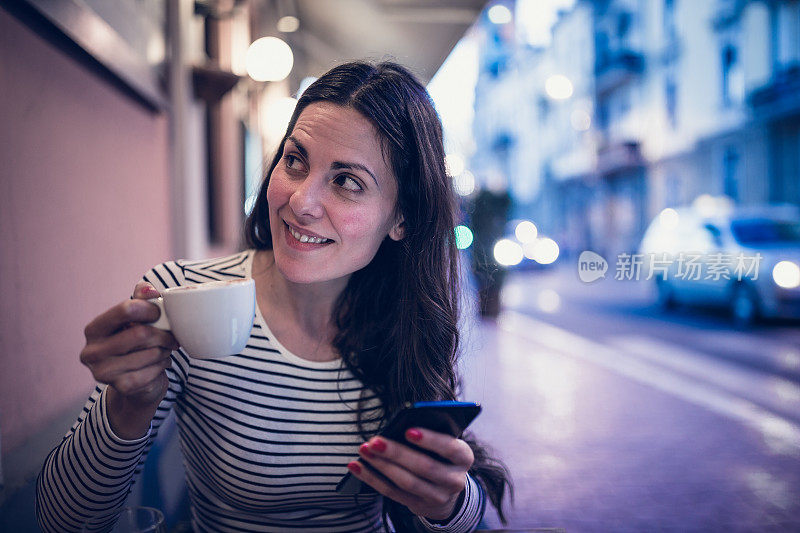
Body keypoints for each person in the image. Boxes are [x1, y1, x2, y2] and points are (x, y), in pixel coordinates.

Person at [36, 61, 511, 532]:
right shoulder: (182, 298)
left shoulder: (402, 320)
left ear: (401, 219)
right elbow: (63, 520)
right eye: (295, 160)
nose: (300, 201)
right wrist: (127, 405)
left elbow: (459, 514)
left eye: (347, 181)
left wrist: (447, 504)